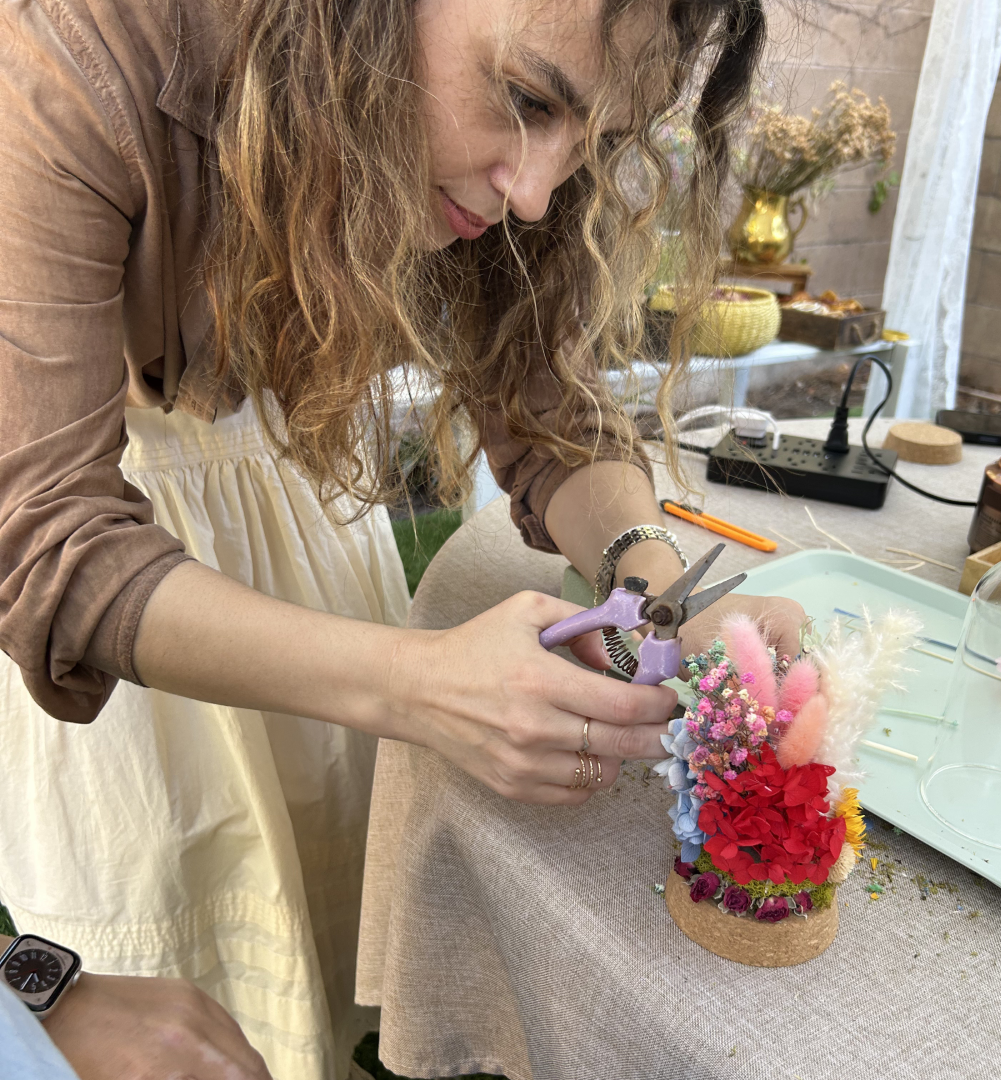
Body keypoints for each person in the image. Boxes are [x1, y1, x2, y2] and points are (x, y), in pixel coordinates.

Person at [0, 0, 801, 1075]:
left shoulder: (501, 128)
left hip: (306, 557)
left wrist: (656, 586)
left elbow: (550, 408)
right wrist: (420, 686)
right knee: (181, 985)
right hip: (155, 624)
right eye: (526, 99)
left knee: (325, 958)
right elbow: (51, 537)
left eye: (598, 140)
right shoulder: (66, 57)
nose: (535, 193)